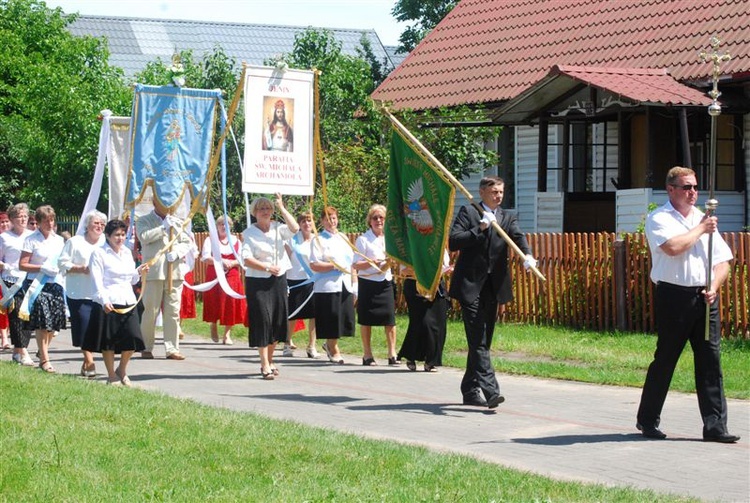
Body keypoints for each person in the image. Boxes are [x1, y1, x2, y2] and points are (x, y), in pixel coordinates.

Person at [636, 166, 740, 443]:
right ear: (671, 190)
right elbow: (672, 247)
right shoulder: (660, 218)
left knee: (710, 361)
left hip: (704, 298)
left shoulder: (703, 219)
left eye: (695, 187)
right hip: (674, 296)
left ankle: (715, 426)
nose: (693, 192)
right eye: (686, 187)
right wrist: (701, 229)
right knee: (666, 359)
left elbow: (722, 261)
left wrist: (714, 287)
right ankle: (648, 420)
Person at [448, 176, 536, 409]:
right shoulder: (469, 212)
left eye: (501, 191)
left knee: (483, 340)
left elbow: (517, 237)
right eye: (494, 191)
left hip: (493, 286)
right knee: (478, 338)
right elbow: (454, 241)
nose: (498, 195)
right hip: (470, 285)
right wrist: (481, 227)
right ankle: (491, 391)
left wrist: (527, 256)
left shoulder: (507, 216)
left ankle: (469, 389)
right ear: (482, 192)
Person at [83, 219, 149, 386]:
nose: (120, 238)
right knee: (109, 341)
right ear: (108, 236)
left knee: (133, 337)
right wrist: (103, 300)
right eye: (116, 235)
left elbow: (131, 279)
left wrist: (139, 272)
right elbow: (96, 279)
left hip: (128, 300)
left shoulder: (127, 252)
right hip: (109, 301)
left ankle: (122, 369)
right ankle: (111, 375)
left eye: (122, 234)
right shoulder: (99, 253)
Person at [241, 194, 299, 379]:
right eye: (261, 209)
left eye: (268, 208)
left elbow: (295, 228)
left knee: (276, 320)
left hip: (279, 280)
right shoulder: (249, 233)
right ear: (254, 213)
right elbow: (246, 259)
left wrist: (281, 207)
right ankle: (264, 364)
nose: (265, 212)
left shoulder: (278, 228)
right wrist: (266, 267)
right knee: (263, 320)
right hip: (258, 281)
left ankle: (271, 359)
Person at [136, 207, 192, 360]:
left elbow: (187, 242)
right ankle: (146, 347)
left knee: (173, 312)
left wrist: (178, 252)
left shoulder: (177, 222)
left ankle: (172, 349)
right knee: (150, 312)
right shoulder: (144, 220)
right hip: (154, 272)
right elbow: (144, 237)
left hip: (174, 273)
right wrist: (163, 228)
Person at [58, 210, 106, 377]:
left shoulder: (106, 242)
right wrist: (81, 269)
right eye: (96, 223)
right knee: (83, 328)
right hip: (78, 292)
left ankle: (86, 362)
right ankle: (90, 361)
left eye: (102, 224)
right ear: (87, 225)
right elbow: (62, 263)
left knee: (95, 330)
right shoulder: (74, 242)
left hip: (99, 294)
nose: (99, 226)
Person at [19, 205, 66, 373]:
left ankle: (42, 350)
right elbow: (23, 264)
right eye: (45, 220)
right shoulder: (31, 239)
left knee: (52, 324)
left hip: (56, 284)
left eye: (51, 220)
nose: (49, 223)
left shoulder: (59, 240)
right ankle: (45, 360)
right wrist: (41, 268)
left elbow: (63, 261)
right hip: (37, 285)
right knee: (42, 321)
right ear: (38, 222)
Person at [309, 206, 355, 365]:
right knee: (332, 316)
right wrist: (334, 266)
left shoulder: (343, 237)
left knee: (343, 317)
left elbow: (351, 262)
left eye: (334, 218)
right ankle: (333, 347)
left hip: (344, 283)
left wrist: (355, 283)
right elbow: (314, 264)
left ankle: (330, 343)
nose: (331, 222)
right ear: (322, 221)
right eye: (327, 219)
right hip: (327, 285)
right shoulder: (318, 240)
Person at [353, 204, 398, 366]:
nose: (378, 220)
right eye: (375, 218)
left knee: (390, 319)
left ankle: (392, 353)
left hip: (385, 282)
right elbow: (356, 264)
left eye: (381, 218)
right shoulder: (363, 239)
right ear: (370, 221)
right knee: (366, 320)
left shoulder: (390, 239)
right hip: (368, 283)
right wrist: (372, 262)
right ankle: (367, 354)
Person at [397, 250, 452, 372]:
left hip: (437, 287)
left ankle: (431, 360)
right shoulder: (411, 245)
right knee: (422, 322)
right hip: (416, 286)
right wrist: (426, 271)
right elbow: (404, 270)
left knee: (438, 325)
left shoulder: (440, 245)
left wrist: (446, 270)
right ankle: (411, 355)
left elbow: (444, 266)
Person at [201, 214, 246, 345]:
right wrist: (221, 261)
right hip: (214, 275)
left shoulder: (236, 241)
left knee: (230, 303)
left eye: (227, 224)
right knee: (214, 301)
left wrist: (232, 263)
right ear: (217, 226)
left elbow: (242, 258)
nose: (224, 227)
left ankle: (227, 334)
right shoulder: (210, 240)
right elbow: (205, 257)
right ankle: (213, 324)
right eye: (221, 224)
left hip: (231, 275)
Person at [0, 203, 34, 365]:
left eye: (25, 216)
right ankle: (23, 351)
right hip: (11, 281)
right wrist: (3, 265)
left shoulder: (33, 235)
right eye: (19, 216)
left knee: (28, 316)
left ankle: (17, 351)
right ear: (12, 219)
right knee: (16, 316)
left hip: (30, 280)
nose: (22, 219)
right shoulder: (4, 237)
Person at [284, 211, 318, 358]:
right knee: (293, 315)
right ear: (299, 224)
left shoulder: (318, 240)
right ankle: (287, 343)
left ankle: (312, 346)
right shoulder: (292, 240)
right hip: (295, 281)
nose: (307, 224)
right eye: (303, 221)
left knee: (314, 315)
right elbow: (285, 260)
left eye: (309, 221)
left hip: (313, 280)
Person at [0, 212, 11, 349]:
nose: (4, 224)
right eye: (2, 222)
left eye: (6, 221)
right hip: (1, 279)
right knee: (2, 308)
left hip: (14, 278)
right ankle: (4, 338)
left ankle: (7, 333)